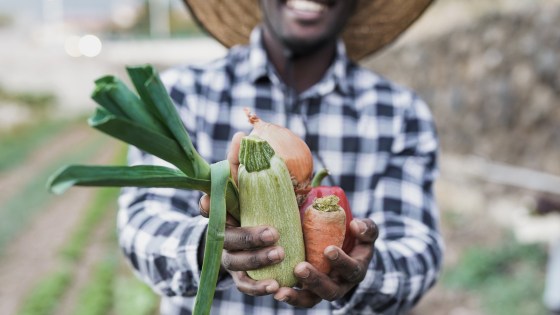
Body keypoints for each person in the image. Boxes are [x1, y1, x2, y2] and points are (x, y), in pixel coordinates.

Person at [117, 0, 443, 314]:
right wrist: (211, 247)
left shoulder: (401, 114)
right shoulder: (182, 93)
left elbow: (419, 255)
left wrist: (362, 275)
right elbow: (141, 227)